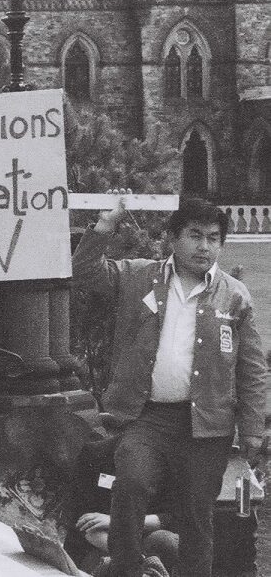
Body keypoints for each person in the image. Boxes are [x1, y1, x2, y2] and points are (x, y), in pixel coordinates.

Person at [73, 195, 268, 577]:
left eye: (214, 238)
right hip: (148, 418)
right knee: (131, 484)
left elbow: (252, 370)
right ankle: (128, 571)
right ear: (172, 239)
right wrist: (102, 229)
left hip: (208, 424)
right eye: (195, 236)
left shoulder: (235, 295)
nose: (205, 246)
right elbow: (86, 272)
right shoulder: (137, 275)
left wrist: (253, 431)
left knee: (197, 516)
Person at [66, 435, 178, 577]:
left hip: (140, 543)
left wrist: (116, 521)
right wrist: (129, 559)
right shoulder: (95, 454)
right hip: (98, 544)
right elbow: (84, 523)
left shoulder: (164, 460)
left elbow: (172, 516)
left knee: (166, 541)